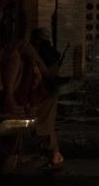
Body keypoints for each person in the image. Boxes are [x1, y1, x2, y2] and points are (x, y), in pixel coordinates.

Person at [30, 27, 64, 167]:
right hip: (48, 90)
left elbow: (47, 73)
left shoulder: (45, 52)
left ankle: (54, 154)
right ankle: (54, 154)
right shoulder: (51, 52)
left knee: (46, 123)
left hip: (45, 91)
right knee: (47, 123)